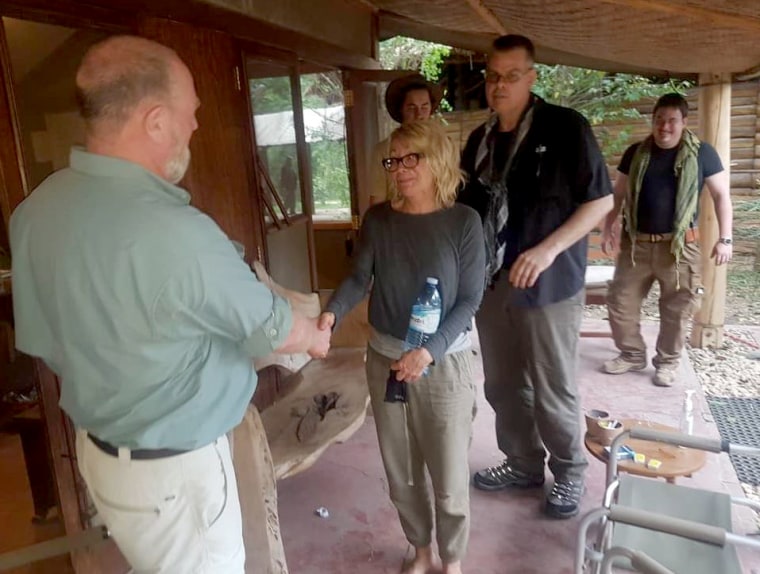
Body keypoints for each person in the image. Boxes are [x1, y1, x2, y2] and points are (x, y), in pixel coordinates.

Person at [9, 35, 330, 573]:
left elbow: (45, 342)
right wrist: (314, 334)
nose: (196, 126)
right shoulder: (177, 234)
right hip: (176, 474)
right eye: (192, 112)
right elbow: (277, 332)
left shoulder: (37, 210)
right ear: (156, 121)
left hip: (104, 456)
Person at [458, 34, 613, 519]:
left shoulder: (565, 128)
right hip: (491, 282)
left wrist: (547, 251)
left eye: (510, 76)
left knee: (553, 384)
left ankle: (569, 473)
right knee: (503, 383)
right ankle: (523, 462)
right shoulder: (479, 141)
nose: (499, 85)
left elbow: (601, 202)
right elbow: (464, 213)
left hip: (549, 282)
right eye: (492, 77)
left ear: (531, 77)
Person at [321, 120, 485, 574]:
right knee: (402, 468)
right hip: (386, 359)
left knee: (449, 475)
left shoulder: (463, 222)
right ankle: (420, 549)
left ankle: (451, 559)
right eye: (394, 160)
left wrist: (428, 351)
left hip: (443, 363)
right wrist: (331, 313)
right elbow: (359, 277)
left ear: (438, 160)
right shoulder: (380, 220)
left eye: (412, 157)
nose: (401, 168)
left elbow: (471, 298)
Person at [601, 92, 733, 387]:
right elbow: (619, 194)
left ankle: (668, 363)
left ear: (684, 122)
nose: (664, 127)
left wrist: (726, 238)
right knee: (620, 302)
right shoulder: (635, 152)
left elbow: (722, 196)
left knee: (678, 308)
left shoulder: (702, 154)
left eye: (672, 120)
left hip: (680, 247)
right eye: (659, 119)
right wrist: (608, 228)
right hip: (636, 246)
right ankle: (632, 354)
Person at [369, 73, 442, 205]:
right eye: (411, 107)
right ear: (401, 110)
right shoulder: (383, 151)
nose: (419, 114)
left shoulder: (443, 147)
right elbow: (377, 202)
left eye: (424, 107)